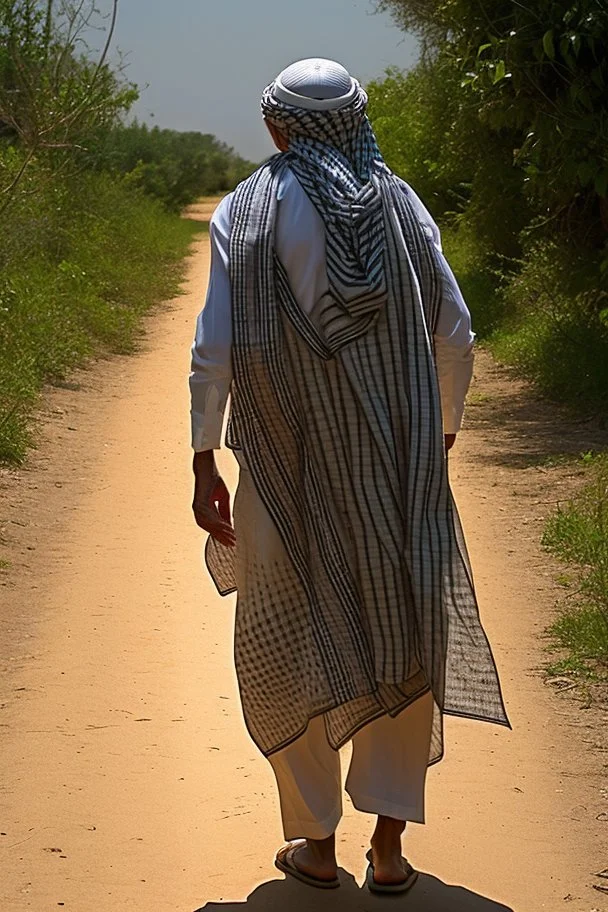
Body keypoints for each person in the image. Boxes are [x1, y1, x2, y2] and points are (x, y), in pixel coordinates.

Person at [190, 58, 509, 894]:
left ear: (275, 128)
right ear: (357, 120)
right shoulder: (403, 206)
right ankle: (390, 846)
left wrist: (202, 458)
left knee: (288, 637)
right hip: (396, 469)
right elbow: (457, 332)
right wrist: (438, 433)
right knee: (404, 637)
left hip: (281, 465)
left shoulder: (246, 213)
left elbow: (213, 350)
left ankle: (317, 846)